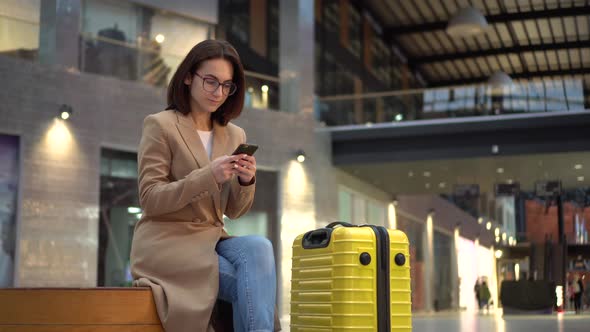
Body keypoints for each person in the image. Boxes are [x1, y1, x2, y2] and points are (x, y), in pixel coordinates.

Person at [130, 40, 279, 332]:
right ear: (188, 76)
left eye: (227, 85)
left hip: (212, 239)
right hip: (168, 244)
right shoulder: (160, 125)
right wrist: (207, 176)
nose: (219, 93)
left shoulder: (234, 133)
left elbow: (235, 211)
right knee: (251, 285)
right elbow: (150, 199)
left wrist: (246, 180)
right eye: (211, 81)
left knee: (260, 246)